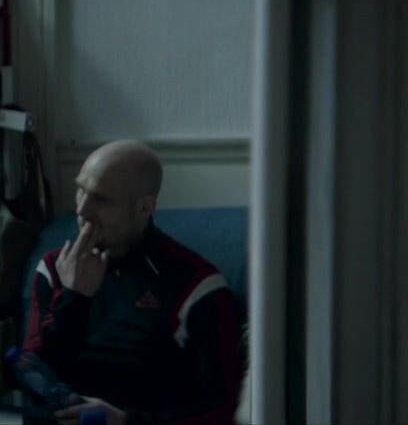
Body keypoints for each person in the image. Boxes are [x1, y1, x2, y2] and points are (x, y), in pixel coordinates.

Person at [22, 140, 243, 425]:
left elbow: (222, 408)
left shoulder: (196, 284)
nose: (82, 210)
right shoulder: (54, 266)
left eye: (101, 199)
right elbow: (33, 370)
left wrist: (127, 422)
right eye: (81, 190)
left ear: (144, 207)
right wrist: (74, 298)